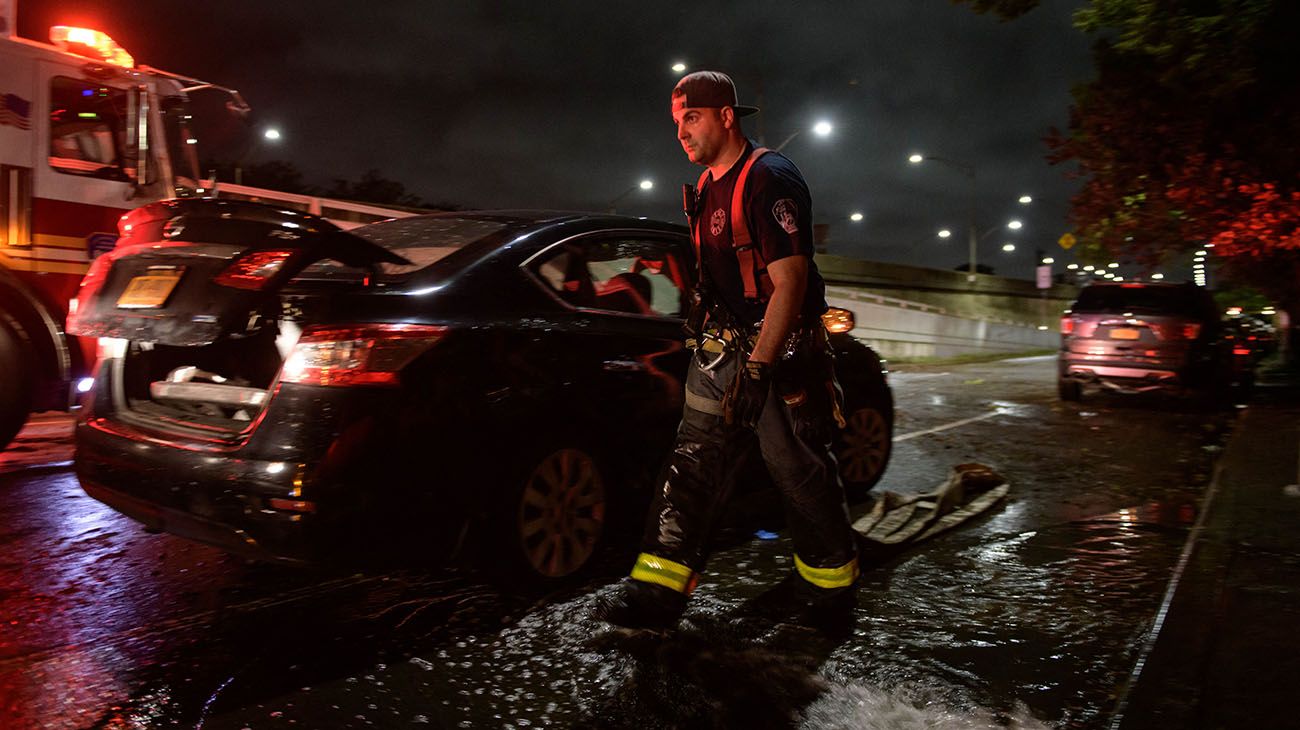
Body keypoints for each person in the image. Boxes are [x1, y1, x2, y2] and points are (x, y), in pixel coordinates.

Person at [596, 71, 860, 629]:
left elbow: (788, 283)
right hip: (720, 353)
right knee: (692, 463)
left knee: (795, 467)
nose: (681, 134)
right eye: (676, 123)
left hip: (778, 354)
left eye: (691, 118)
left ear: (725, 116)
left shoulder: (769, 177)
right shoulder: (707, 188)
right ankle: (656, 594)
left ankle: (829, 587)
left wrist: (761, 369)